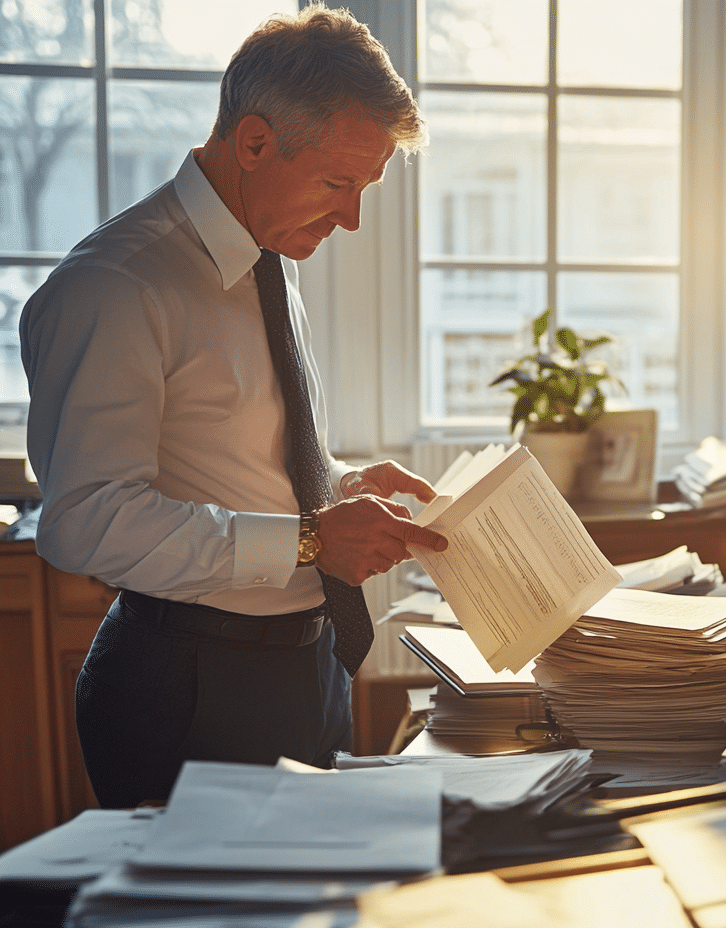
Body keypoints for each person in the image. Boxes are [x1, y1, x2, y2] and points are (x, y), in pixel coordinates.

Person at [19, 4, 446, 809]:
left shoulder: (268, 252)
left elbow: (236, 457)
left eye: (366, 188)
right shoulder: (116, 286)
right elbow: (83, 520)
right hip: (189, 688)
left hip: (306, 663)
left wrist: (335, 488)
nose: (352, 217)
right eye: (337, 182)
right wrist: (315, 537)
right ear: (254, 143)